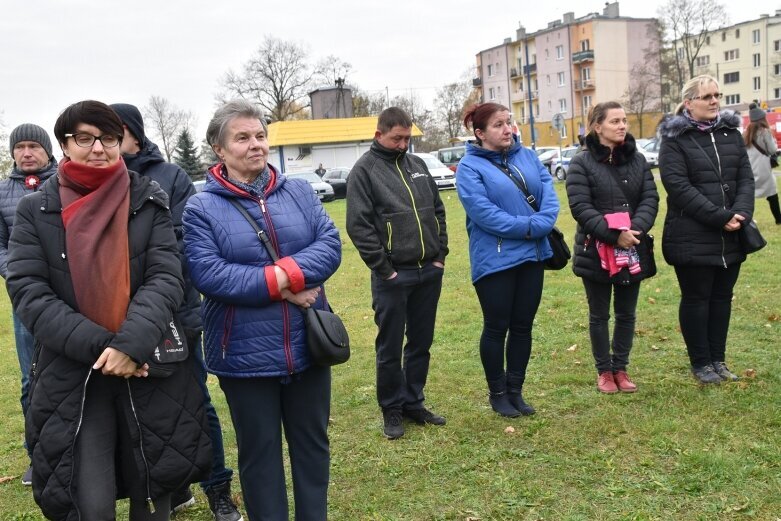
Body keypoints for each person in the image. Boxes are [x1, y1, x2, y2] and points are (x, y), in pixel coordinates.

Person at [5, 100, 211, 520]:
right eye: (85, 138)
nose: (98, 148)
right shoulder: (36, 210)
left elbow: (166, 277)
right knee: (90, 502)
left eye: (109, 138)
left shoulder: (147, 197)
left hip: (148, 364)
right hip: (76, 374)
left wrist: (131, 346)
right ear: (65, 144)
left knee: (153, 494)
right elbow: (30, 291)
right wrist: (106, 349)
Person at [182, 100, 341, 521]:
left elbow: (329, 245)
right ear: (219, 148)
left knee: (312, 446)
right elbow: (211, 275)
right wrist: (286, 286)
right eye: (243, 137)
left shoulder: (299, 191)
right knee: (260, 455)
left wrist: (283, 273)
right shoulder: (201, 208)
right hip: (244, 354)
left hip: (308, 344)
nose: (256, 145)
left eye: (260, 136)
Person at [110, 103, 242, 521]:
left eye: (113, 133)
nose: (104, 143)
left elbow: (183, 241)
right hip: (115, 323)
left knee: (195, 403)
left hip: (175, 313)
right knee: (137, 410)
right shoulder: (99, 182)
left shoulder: (170, 177)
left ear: (132, 133)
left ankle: (218, 488)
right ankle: (172, 487)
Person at [346, 107, 449, 439]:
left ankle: (413, 401)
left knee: (420, 342)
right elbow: (358, 226)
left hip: (428, 272)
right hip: (393, 277)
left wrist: (440, 255)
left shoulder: (417, 166)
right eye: (397, 138)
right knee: (389, 347)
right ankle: (391, 409)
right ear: (379, 135)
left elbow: (437, 210)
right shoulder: (364, 171)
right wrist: (385, 269)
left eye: (408, 138)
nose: (404, 144)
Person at [455, 102, 559, 417]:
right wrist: (530, 227)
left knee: (523, 326)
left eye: (508, 122)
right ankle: (497, 393)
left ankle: (516, 390)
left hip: (532, 255)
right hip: (496, 259)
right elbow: (484, 213)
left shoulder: (526, 156)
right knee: (497, 326)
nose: (507, 129)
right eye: (499, 124)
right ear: (480, 133)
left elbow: (549, 195)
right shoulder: (469, 168)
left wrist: (540, 224)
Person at [658, 75, 755, 384]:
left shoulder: (730, 134)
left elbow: (746, 178)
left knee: (722, 298)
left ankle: (718, 360)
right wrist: (718, 217)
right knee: (697, 298)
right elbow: (678, 187)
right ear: (689, 103)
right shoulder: (675, 139)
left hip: (731, 234)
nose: (715, 101)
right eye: (707, 96)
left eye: (717, 95)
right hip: (691, 234)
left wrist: (740, 213)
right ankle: (701, 363)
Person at [566, 101, 659, 394]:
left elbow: (650, 199)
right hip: (596, 249)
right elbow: (581, 206)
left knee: (627, 313)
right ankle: (604, 372)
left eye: (624, 120)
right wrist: (613, 235)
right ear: (597, 126)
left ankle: (621, 367)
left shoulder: (638, 160)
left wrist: (636, 230)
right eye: (615, 121)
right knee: (599, 314)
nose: (622, 126)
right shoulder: (581, 162)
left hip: (633, 246)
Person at [0, 123, 57, 484]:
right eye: (19, 147)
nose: (26, 153)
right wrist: (20, 273)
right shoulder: (2, 192)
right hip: (25, 301)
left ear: (48, 150)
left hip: (68, 297)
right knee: (31, 379)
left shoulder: (65, 182)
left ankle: (77, 444)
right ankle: (38, 455)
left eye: (33, 146)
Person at [743, 103, 781, 224]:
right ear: (762, 118)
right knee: (772, 194)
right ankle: (779, 219)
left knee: (750, 196)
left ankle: (749, 220)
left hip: (750, 168)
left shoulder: (746, 132)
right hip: (763, 169)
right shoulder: (764, 132)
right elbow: (773, 150)